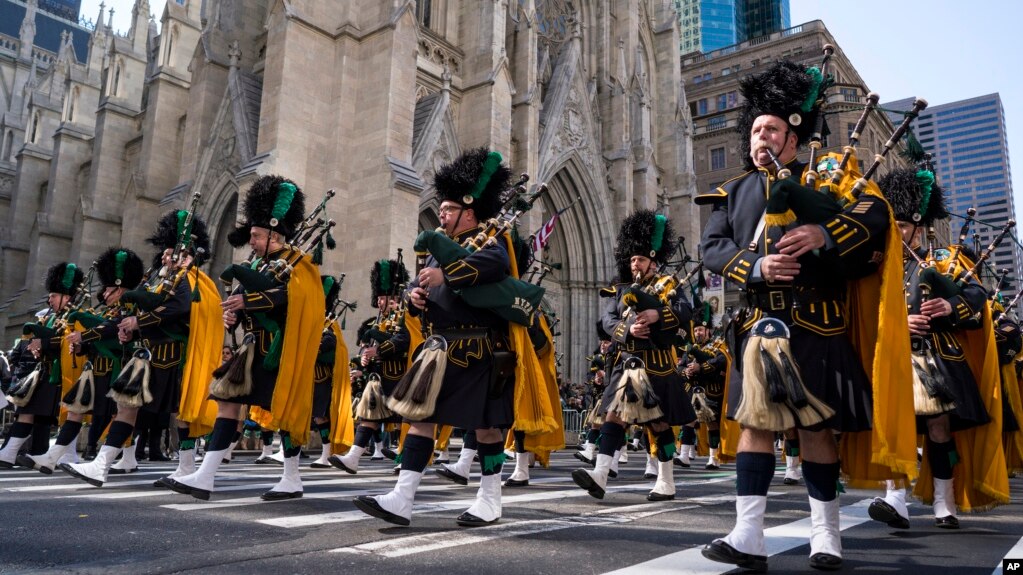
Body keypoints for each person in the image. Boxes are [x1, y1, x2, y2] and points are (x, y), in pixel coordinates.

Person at [696, 60, 914, 571]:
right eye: (753, 129)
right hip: (759, 326)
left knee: (816, 429)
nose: (760, 137)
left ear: (794, 132)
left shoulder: (831, 176)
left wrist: (823, 233)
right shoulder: (734, 191)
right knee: (755, 425)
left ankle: (826, 535)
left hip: (818, 323)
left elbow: (874, 217)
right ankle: (748, 535)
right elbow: (712, 249)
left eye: (769, 127)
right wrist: (756, 265)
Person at [353, 148, 547, 527]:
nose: (441, 215)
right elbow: (419, 289)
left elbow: (495, 267)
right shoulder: (436, 253)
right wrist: (413, 297)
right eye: (441, 210)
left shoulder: (489, 243)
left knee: (487, 428)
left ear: (469, 212)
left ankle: (490, 500)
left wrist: (447, 275)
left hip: (480, 350)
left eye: (447, 209)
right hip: (439, 349)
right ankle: (401, 498)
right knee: (420, 419)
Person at [165, 175, 325, 501]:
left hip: (279, 351)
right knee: (227, 401)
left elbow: (289, 298)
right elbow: (242, 295)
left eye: (256, 235)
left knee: (284, 411)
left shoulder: (298, 263)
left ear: (274, 234)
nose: (250, 240)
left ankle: (292, 479)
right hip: (251, 349)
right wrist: (234, 313)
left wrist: (247, 301)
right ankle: (206, 476)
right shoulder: (257, 262)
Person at [869, 167, 1007, 530]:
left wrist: (949, 307)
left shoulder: (944, 259)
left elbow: (977, 294)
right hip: (892, 356)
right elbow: (865, 312)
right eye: (891, 224)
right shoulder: (878, 267)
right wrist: (894, 324)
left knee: (939, 428)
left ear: (918, 224)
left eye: (902, 225)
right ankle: (895, 499)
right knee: (891, 424)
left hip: (936, 357)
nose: (896, 232)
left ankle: (945, 503)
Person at [571, 209, 695, 503]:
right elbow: (607, 321)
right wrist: (628, 331)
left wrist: (657, 314)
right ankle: (600, 475)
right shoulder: (621, 289)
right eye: (630, 259)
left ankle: (666, 480)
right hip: (627, 363)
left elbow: (685, 313)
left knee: (659, 424)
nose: (633, 264)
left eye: (639, 259)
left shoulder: (668, 285)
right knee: (613, 417)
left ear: (653, 260)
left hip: (658, 365)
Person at [18, 249, 143, 474]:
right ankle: (52, 457)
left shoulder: (129, 308)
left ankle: (122, 460)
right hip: (98, 371)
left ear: (119, 287)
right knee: (77, 409)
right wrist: (81, 345)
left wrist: (84, 335)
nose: (104, 293)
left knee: (122, 415)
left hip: (117, 369)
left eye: (108, 289)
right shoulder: (110, 310)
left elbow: (112, 330)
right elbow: (101, 335)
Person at [329, 258, 411, 473]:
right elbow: (371, 347)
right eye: (380, 298)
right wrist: (366, 359)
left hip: (400, 375)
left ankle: (405, 457)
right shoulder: (378, 320)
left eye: (385, 298)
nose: (381, 303)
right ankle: (353, 458)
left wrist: (379, 349)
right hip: (379, 377)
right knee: (369, 417)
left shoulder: (405, 315)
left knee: (406, 419)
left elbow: (404, 341)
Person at [0, 262, 84, 468]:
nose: (50, 299)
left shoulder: (76, 316)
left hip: (63, 374)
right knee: (28, 413)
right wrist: (38, 346)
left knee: (68, 415)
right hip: (45, 373)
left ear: (67, 297)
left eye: (54, 295)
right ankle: (9, 454)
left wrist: (44, 343)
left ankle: (68, 455)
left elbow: (70, 342)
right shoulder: (51, 316)